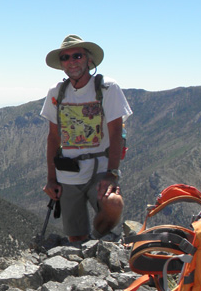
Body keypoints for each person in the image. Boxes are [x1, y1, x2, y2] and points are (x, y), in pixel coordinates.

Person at [39, 35, 132, 243]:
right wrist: (51, 179)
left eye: (77, 55)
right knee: (75, 237)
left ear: (89, 60)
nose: (71, 61)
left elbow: (116, 132)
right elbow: (53, 137)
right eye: (65, 57)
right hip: (68, 173)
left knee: (113, 204)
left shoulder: (108, 88)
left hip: (100, 168)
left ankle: (96, 240)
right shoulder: (57, 92)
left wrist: (111, 174)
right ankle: (83, 250)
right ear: (61, 64)